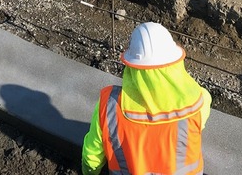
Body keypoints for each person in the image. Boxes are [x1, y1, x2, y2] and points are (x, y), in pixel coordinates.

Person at [82, 22, 212, 175]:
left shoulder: (109, 106)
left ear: (131, 66)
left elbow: (91, 157)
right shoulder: (199, 101)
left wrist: (88, 173)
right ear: (175, 63)